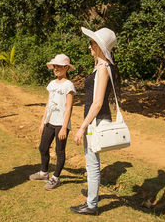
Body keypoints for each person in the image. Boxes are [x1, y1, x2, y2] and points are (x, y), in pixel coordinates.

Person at [70, 27, 120, 216]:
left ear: (99, 46)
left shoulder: (103, 69)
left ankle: (92, 204)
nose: (89, 45)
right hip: (95, 120)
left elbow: (97, 102)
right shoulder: (103, 66)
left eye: (92, 42)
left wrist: (82, 127)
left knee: (92, 163)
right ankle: (93, 193)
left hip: (96, 121)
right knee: (92, 162)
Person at [29, 54, 76, 190]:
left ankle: (55, 178)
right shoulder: (52, 84)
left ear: (66, 68)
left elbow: (68, 108)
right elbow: (48, 104)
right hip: (50, 122)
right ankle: (44, 172)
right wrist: (42, 122)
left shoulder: (69, 85)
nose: (56, 69)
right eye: (54, 66)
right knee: (43, 148)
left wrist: (64, 127)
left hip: (61, 124)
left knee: (59, 151)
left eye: (59, 66)